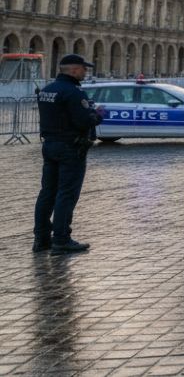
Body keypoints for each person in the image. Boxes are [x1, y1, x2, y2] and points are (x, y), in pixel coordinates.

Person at [33, 54, 103, 254]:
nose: (85, 72)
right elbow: (83, 120)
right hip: (71, 147)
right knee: (67, 194)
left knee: (47, 193)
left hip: (50, 145)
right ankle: (61, 239)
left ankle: (41, 238)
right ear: (73, 70)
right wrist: (97, 116)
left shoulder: (47, 90)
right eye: (83, 69)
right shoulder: (73, 93)